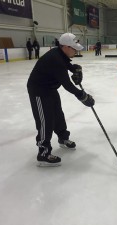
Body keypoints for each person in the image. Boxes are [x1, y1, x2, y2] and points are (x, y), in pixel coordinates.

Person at [27, 32, 95, 167]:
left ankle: (63, 138)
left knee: (58, 115)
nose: (76, 51)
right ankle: (43, 153)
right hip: (39, 91)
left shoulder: (61, 55)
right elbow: (67, 85)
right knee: (45, 120)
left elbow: (68, 66)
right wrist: (83, 96)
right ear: (65, 47)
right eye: (74, 48)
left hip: (50, 89)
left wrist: (76, 70)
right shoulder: (55, 59)